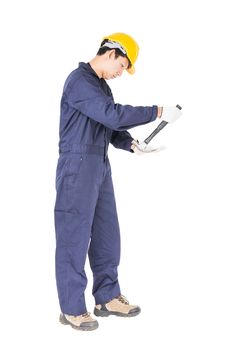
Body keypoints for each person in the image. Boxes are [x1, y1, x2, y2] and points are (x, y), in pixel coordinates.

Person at [54, 32, 181, 331]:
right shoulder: (79, 81)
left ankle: (107, 297)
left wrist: (131, 144)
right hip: (77, 165)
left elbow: (109, 126)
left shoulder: (101, 87)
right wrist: (157, 111)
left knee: (107, 234)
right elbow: (110, 115)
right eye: (122, 66)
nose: (120, 74)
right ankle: (72, 309)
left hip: (99, 165)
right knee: (73, 237)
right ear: (111, 52)